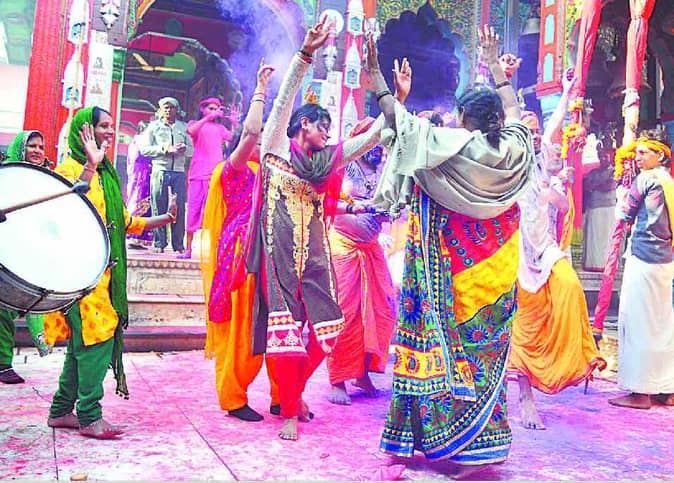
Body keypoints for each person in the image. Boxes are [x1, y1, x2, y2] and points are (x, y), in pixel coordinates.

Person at [368, 27, 535, 477]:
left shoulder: (450, 147)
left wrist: (381, 83)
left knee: (446, 354)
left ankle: (443, 443)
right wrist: (498, 70)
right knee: (485, 361)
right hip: (499, 276)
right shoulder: (516, 150)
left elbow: (402, 127)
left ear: (462, 116)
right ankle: (482, 449)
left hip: (454, 277)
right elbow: (515, 111)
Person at [245, 18, 385, 441]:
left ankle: (295, 393)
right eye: (321, 124)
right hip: (278, 264)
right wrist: (305, 54)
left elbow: (370, 140)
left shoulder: (327, 163)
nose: (327, 131)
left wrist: (392, 98)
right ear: (302, 125)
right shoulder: (274, 148)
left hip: (317, 262)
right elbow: (285, 99)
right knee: (287, 339)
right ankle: (289, 410)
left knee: (329, 330)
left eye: (328, 126)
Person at [43, 107, 177, 439]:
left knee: (83, 345)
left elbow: (125, 222)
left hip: (103, 275)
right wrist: (90, 164)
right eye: (103, 126)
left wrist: (166, 218)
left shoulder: (107, 175)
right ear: (84, 132)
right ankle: (90, 416)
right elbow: (67, 207)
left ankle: (60, 411)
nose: (110, 132)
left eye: (111, 126)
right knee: (96, 340)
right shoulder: (69, 169)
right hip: (79, 274)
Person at [508, 72, 606, 431]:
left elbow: (556, 123)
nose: (536, 135)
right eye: (528, 130)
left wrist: (566, 91)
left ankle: (577, 357)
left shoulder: (541, 161)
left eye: (536, 131)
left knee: (570, 288)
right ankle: (525, 397)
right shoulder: (506, 163)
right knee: (526, 320)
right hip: (516, 252)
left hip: (545, 249)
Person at [200, 60, 280, 422]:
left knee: (277, 326)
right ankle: (233, 398)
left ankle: (283, 395)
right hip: (240, 257)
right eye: (257, 138)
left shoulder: (270, 171)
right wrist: (260, 91)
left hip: (271, 257)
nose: (260, 141)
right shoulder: (232, 170)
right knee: (242, 329)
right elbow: (249, 134)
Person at [326, 117, 397, 406]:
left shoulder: (384, 168)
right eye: (372, 140)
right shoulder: (343, 165)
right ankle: (338, 378)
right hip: (343, 245)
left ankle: (362, 373)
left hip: (372, 248)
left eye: (380, 141)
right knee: (346, 311)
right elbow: (326, 202)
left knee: (382, 310)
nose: (377, 146)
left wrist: (388, 212)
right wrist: (356, 208)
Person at [608, 129, 674, 410]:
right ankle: (666, 390)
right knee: (663, 324)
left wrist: (621, 193)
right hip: (666, 261)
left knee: (637, 322)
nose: (638, 157)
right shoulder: (668, 181)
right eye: (637, 152)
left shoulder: (646, 179)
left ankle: (640, 392)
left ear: (660, 155)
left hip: (645, 260)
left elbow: (624, 213)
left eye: (644, 152)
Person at [0, 130, 52, 384]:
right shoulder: (5, 177)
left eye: (41, 147)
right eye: (32, 146)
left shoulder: (47, 181)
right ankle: (2, 364)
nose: (38, 151)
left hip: (27, 252)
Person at [184, 97, 239, 259]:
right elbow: (191, 131)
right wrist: (208, 118)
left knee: (215, 212)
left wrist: (234, 123)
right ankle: (188, 250)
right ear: (203, 109)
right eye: (210, 108)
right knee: (193, 211)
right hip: (197, 174)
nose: (214, 111)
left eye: (216, 109)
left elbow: (234, 139)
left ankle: (215, 250)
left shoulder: (220, 128)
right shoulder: (195, 123)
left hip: (216, 175)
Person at [139, 97, 193, 255]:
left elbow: (192, 150)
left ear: (177, 110)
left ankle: (178, 245)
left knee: (180, 207)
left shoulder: (184, 127)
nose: (169, 110)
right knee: (158, 206)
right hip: (160, 169)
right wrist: (165, 149)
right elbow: (144, 149)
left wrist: (184, 149)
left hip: (179, 171)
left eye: (171, 107)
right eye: (165, 108)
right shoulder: (153, 127)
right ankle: (159, 242)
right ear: (161, 110)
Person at [582, 149, 617, 271]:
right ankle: (593, 265)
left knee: (607, 239)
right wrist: (599, 184)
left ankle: (607, 265)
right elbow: (586, 186)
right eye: (600, 157)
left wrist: (595, 185)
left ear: (610, 157)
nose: (603, 159)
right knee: (594, 239)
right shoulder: (593, 172)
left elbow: (609, 186)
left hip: (609, 208)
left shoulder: (615, 171)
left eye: (605, 156)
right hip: (594, 208)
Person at [125, 121, 153, 249]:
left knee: (143, 203)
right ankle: (134, 236)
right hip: (141, 175)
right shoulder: (140, 140)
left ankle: (140, 237)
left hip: (142, 174)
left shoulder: (136, 141)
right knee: (138, 202)